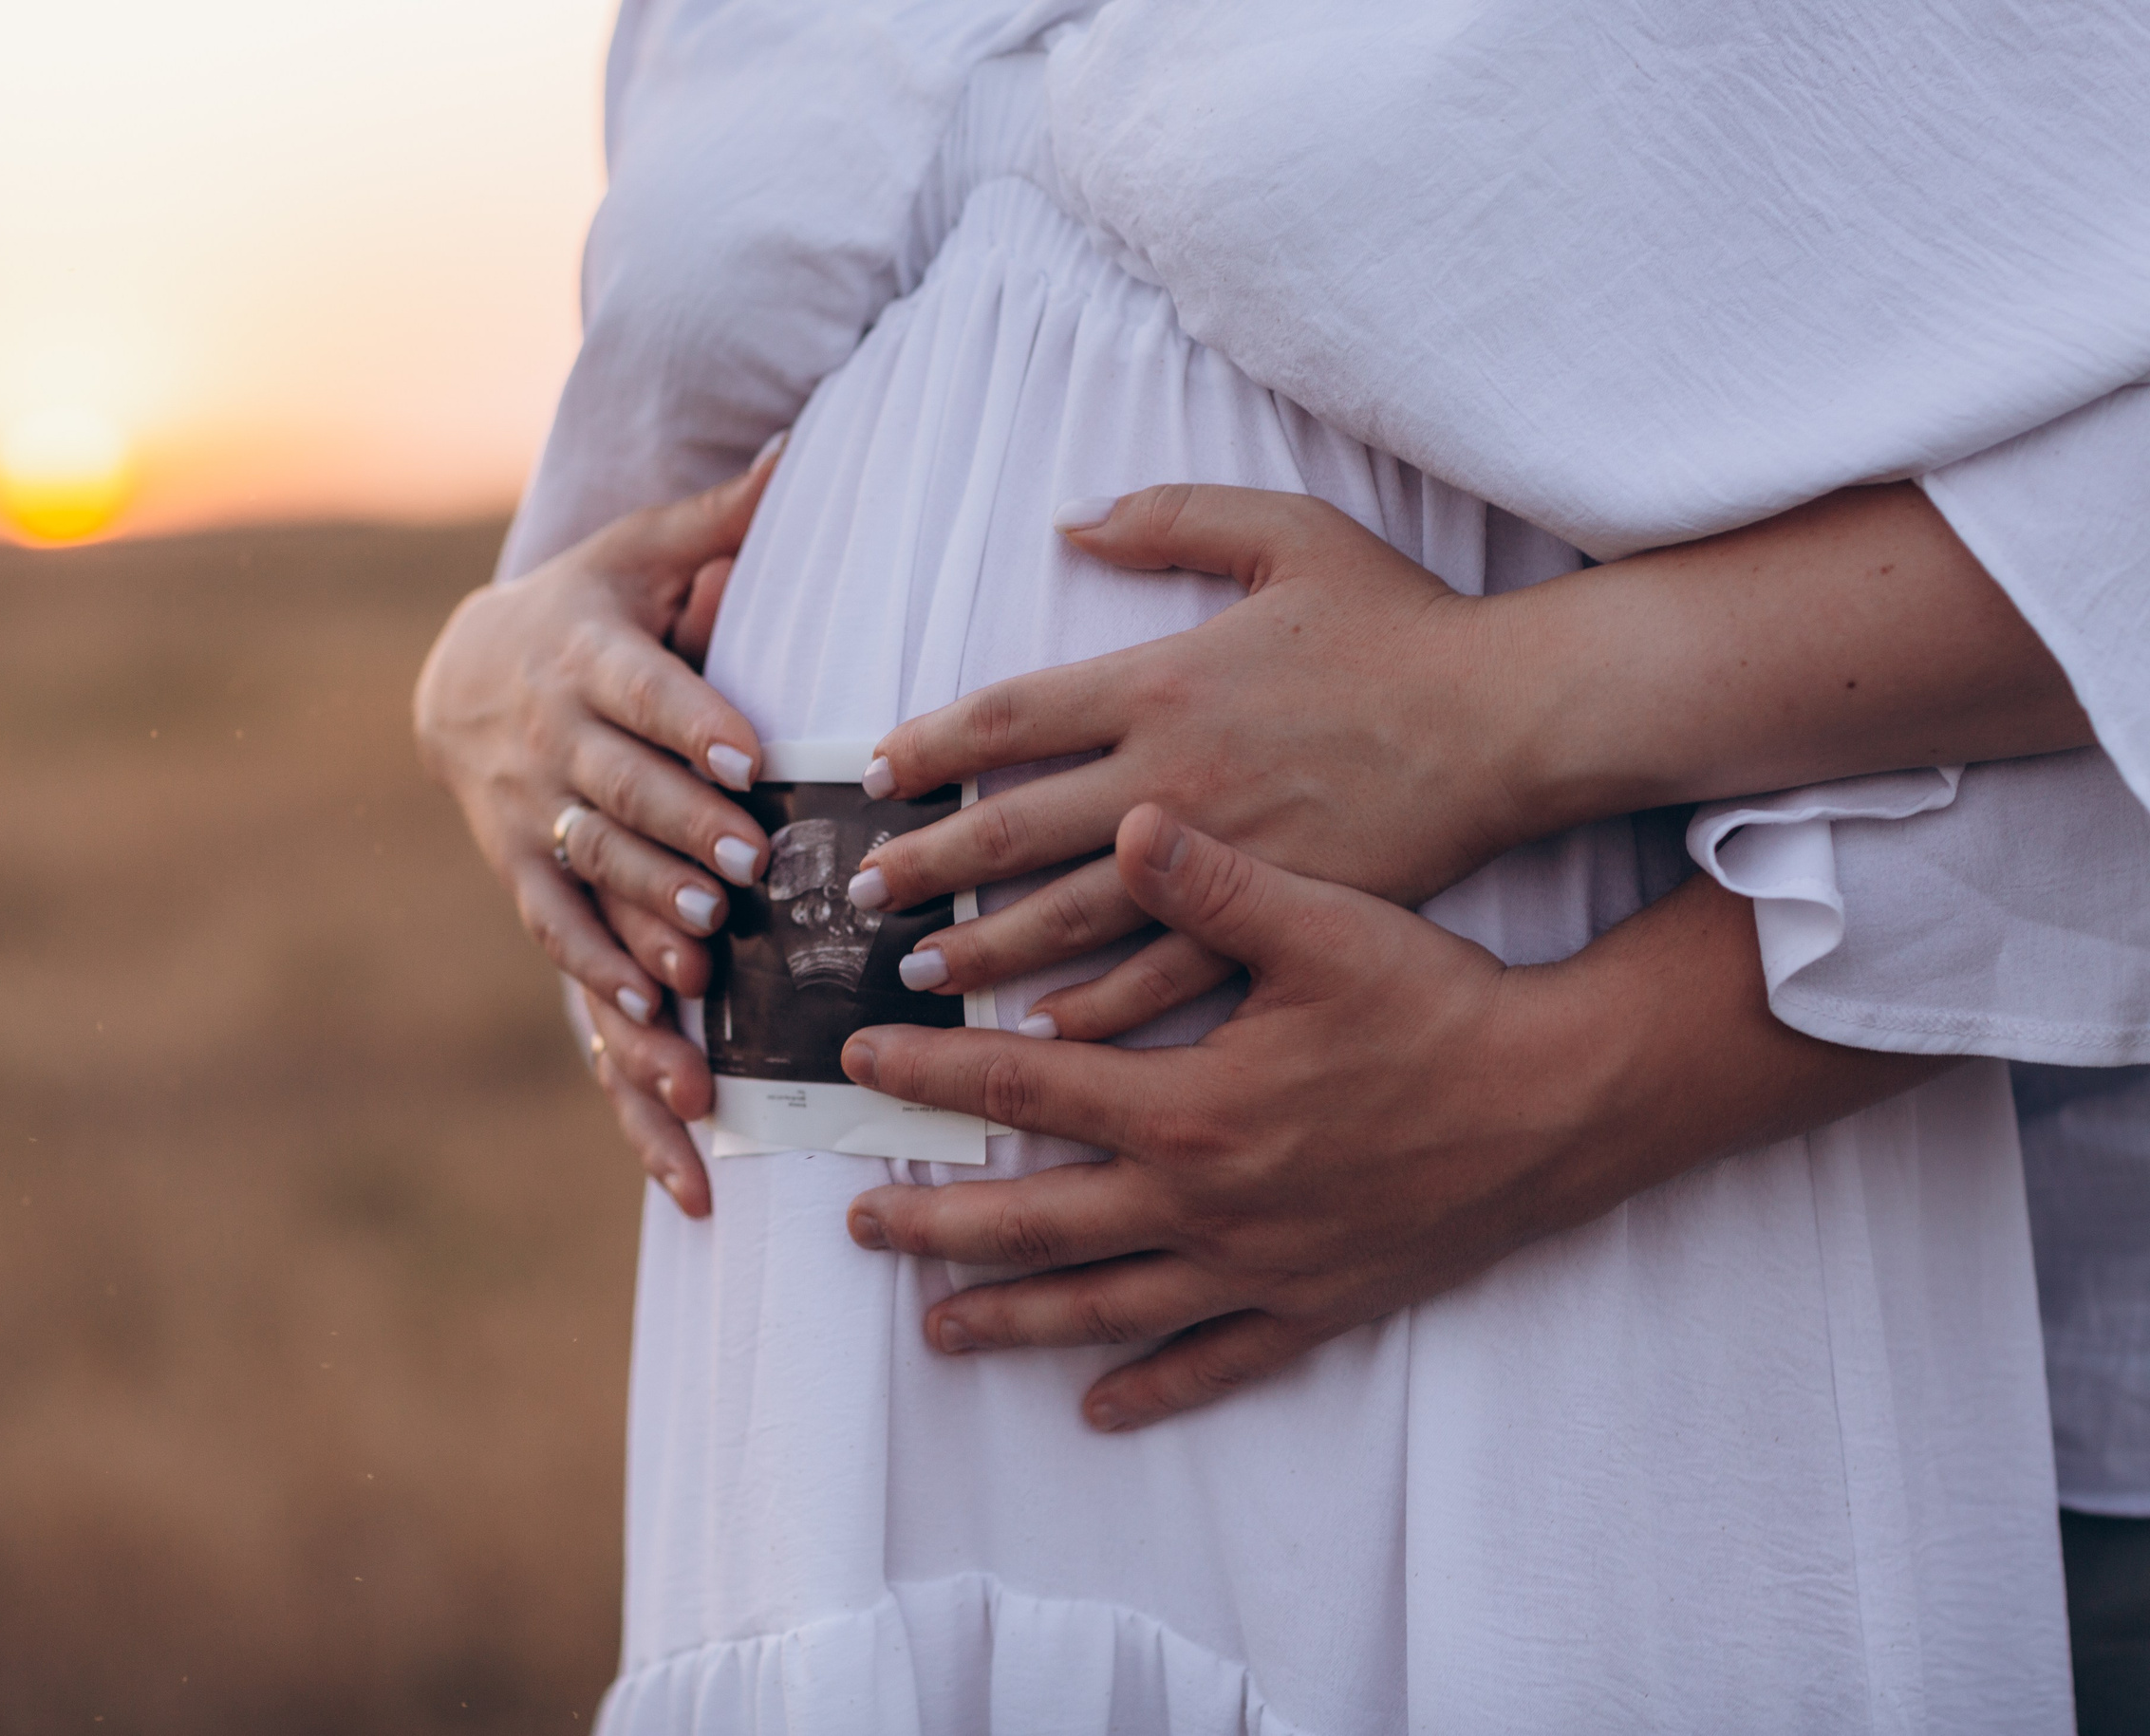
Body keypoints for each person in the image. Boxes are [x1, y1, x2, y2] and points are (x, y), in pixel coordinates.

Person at [415, 3, 2150, 1727]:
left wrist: (1517, 831)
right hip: (817, 1415)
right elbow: (677, 481)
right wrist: (497, 677)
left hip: (1542, 1313)